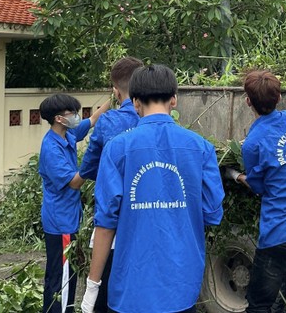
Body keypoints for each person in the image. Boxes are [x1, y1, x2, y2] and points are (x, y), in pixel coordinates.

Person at [81, 64, 225, 313]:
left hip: (131, 289)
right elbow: (213, 213)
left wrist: (92, 285)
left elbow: (105, 223)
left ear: (135, 103)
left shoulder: (117, 149)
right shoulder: (201, 148)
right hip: (181, 287)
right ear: (174, 100)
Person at [224, 70, 286, 313]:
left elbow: (258, 187)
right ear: (279, 98)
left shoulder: (253, 142)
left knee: (259, 306)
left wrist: (235, 175)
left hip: (279, 238)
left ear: (248, 101)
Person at [79, 56, 144, 313]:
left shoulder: (109, 123)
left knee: (109, 298)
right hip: (149, 230)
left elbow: (90, 168)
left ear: (116, 91)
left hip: (115, 232)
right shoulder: (162, 126)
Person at [38, 93, 110, 313]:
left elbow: (93, 120)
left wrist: (114, 98)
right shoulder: (51, 149)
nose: (76, 116)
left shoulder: (67, 135)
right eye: (72, 113)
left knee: (60, 273)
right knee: (63, 279)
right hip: (61, 223)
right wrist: (92, 160)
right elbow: (73, 183)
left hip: (68, 218)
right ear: (60, 118)